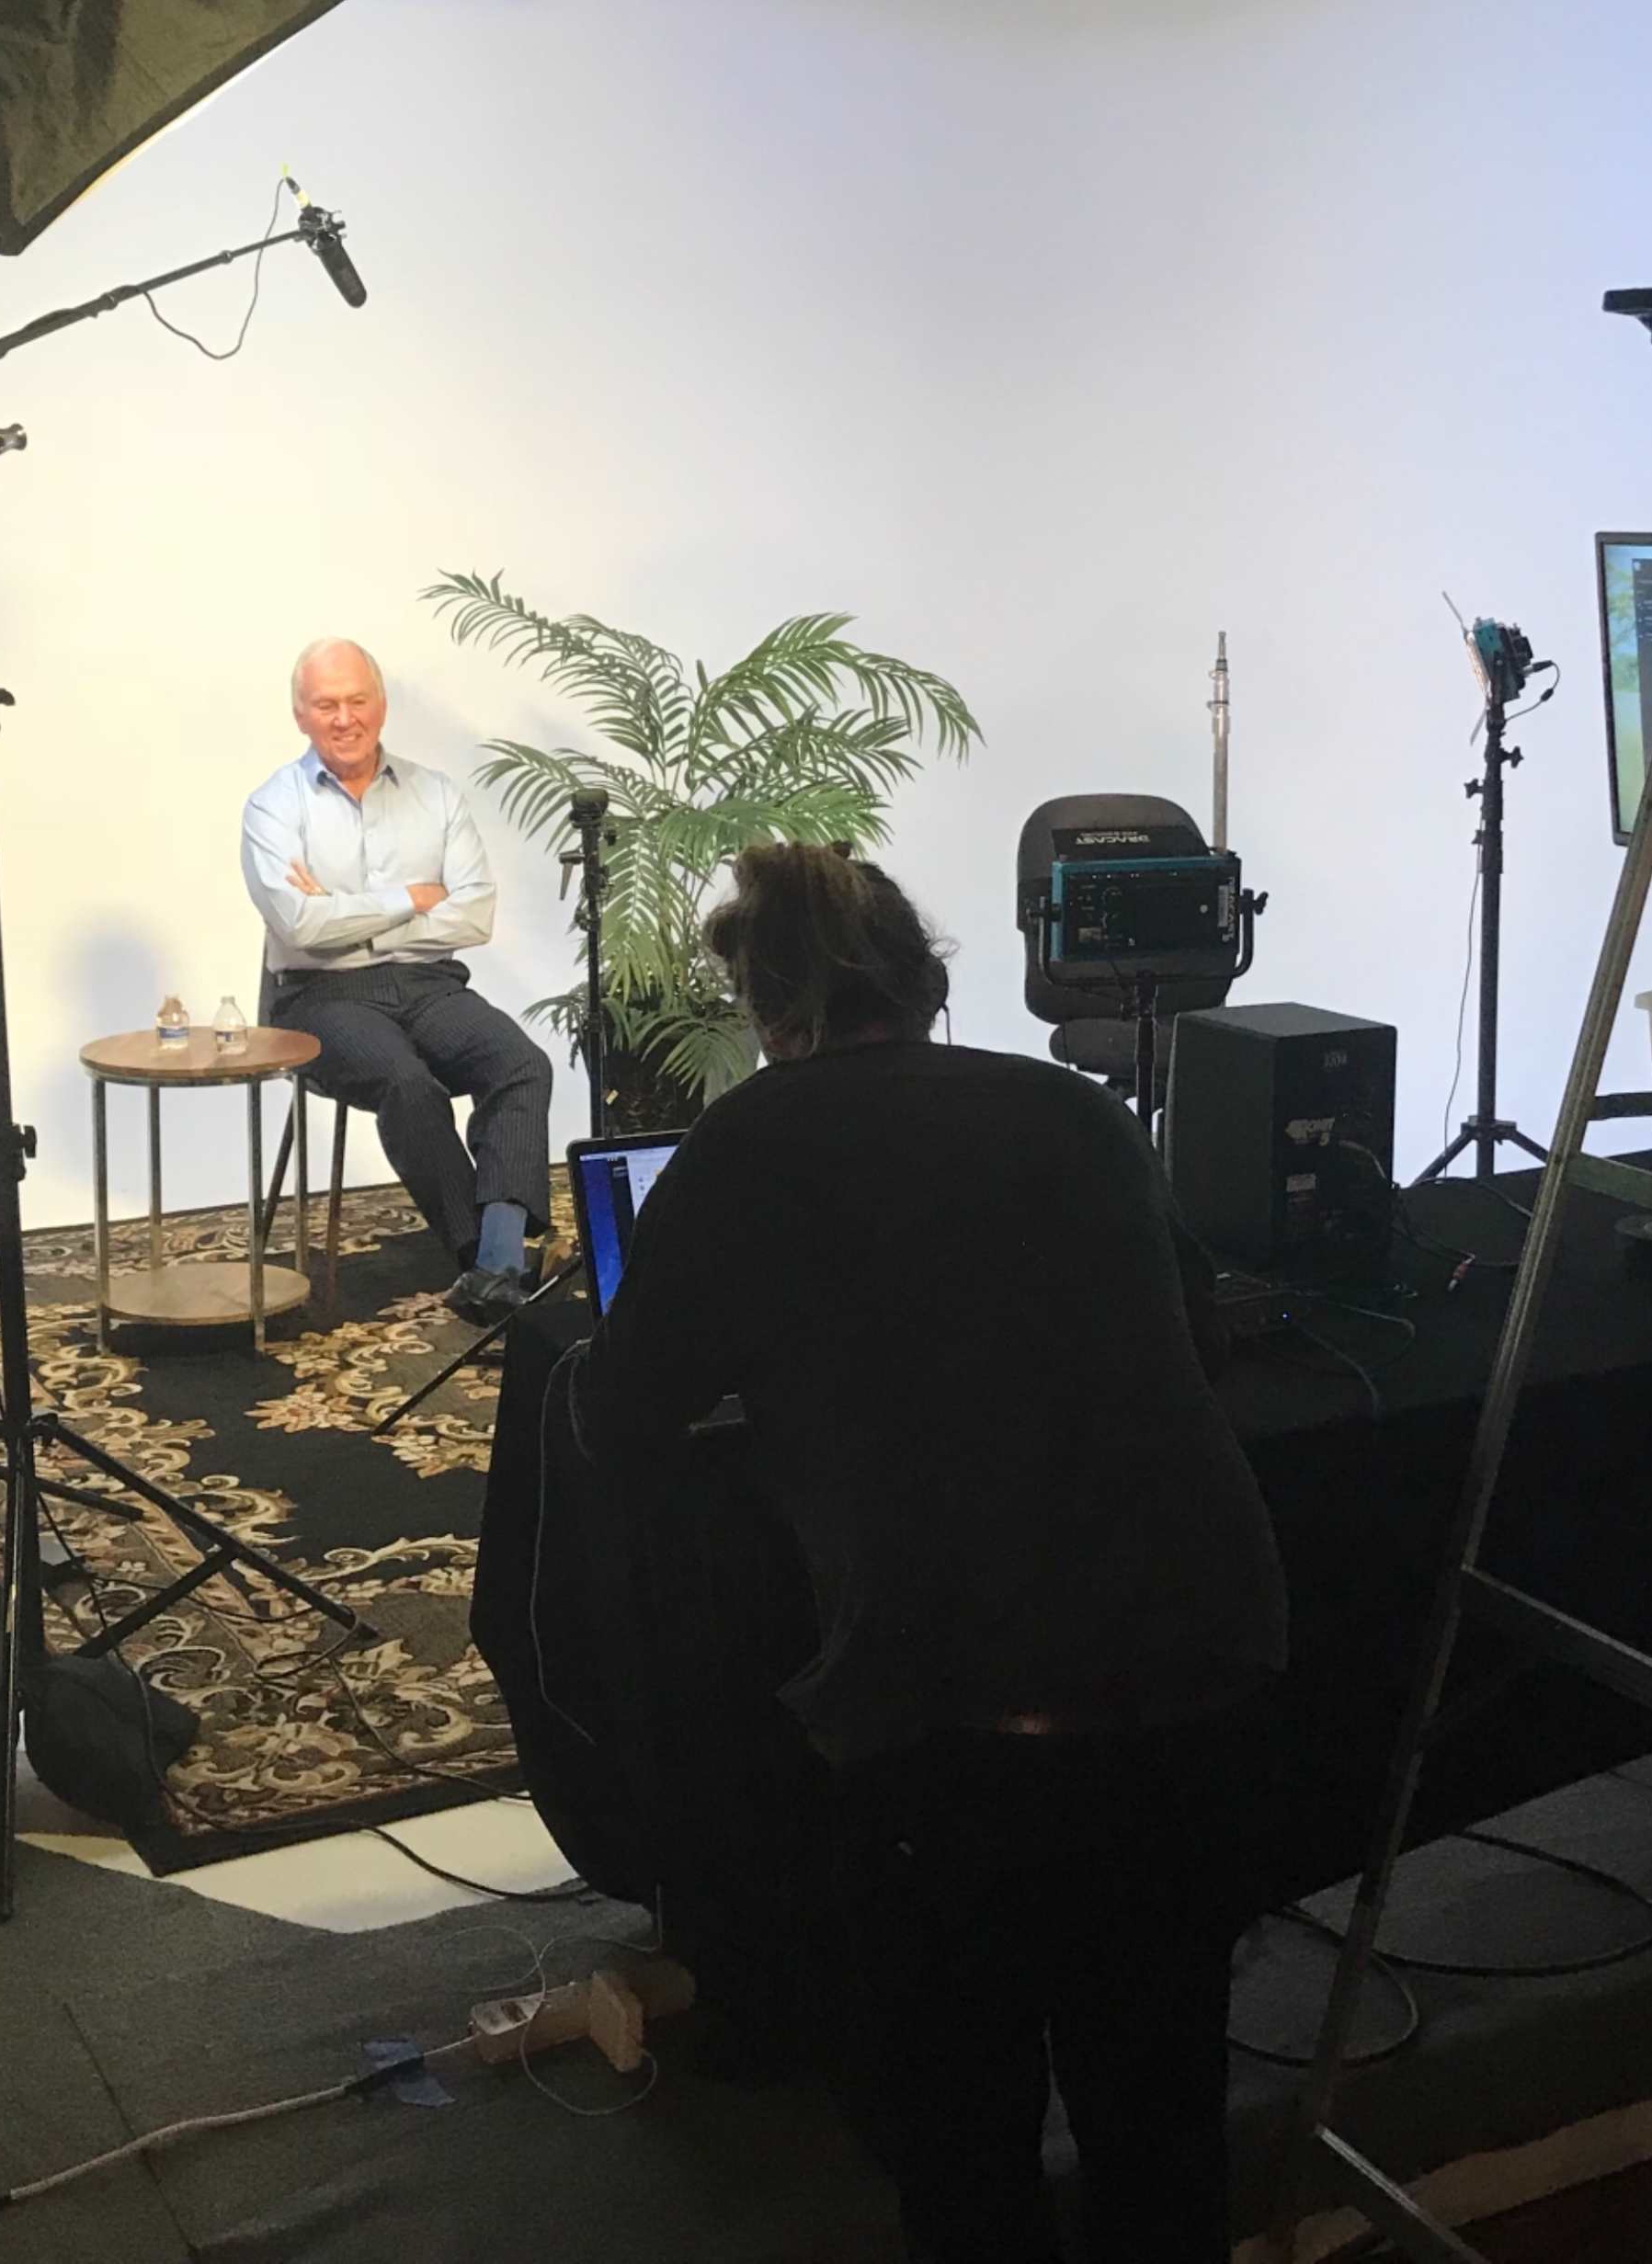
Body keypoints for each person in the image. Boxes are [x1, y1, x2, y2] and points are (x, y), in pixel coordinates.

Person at [577, 842, 1287, 2264]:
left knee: (964, 2138)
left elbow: (617, 1417)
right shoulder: (1077, 1112)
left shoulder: (747, 1143)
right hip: (1207, 1659)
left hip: (957, 1709)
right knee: (1161, 2122)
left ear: (765, 1009)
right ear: (929, 981)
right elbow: (1202, 1344)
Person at [239, 639, 555, 1323]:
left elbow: (473, 915)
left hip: (427, 984)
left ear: (381, 706)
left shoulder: (435, 793)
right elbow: (300, 930)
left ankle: (499, 1263)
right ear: (301, 714)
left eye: (358, 701)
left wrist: (350, 916)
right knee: (405, 1082)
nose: (345, 718)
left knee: (521, 1064)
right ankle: (482, 1259)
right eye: (327, 704)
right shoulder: (273, 807)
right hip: (319, 997)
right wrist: (410, 898)